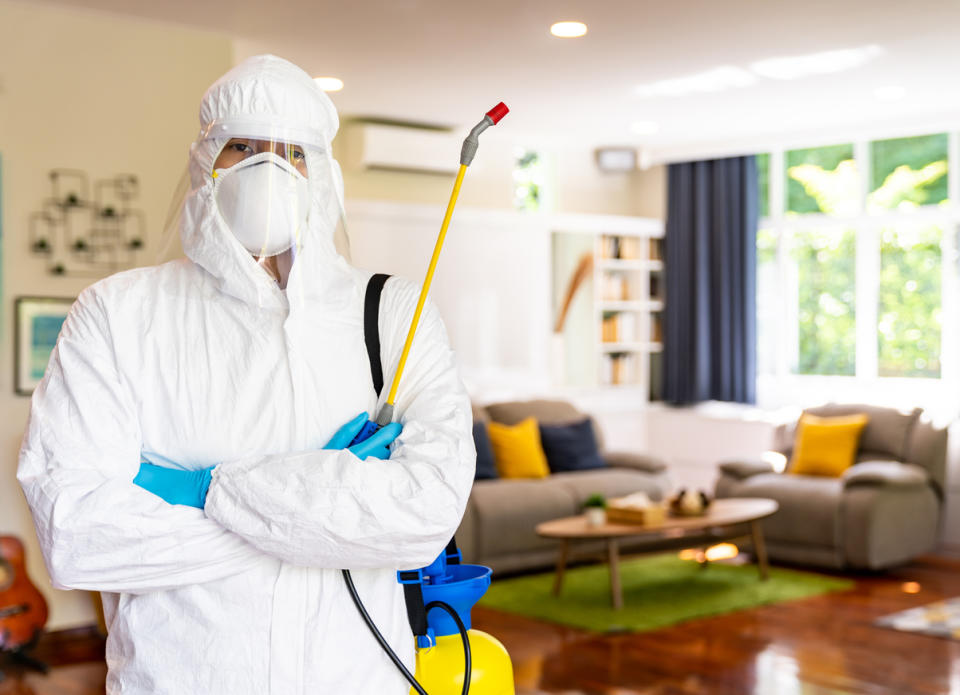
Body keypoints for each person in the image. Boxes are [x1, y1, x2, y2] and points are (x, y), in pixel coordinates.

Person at [17, 54, 475, 694]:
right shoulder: (118, 314)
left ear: (323, 175)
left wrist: (199, 490)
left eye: (293, 152)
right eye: (242, 147)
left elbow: (424, 516)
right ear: (205, 164)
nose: (268, 169)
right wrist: (326, 517)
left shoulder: (395, 314)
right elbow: (79, 536)